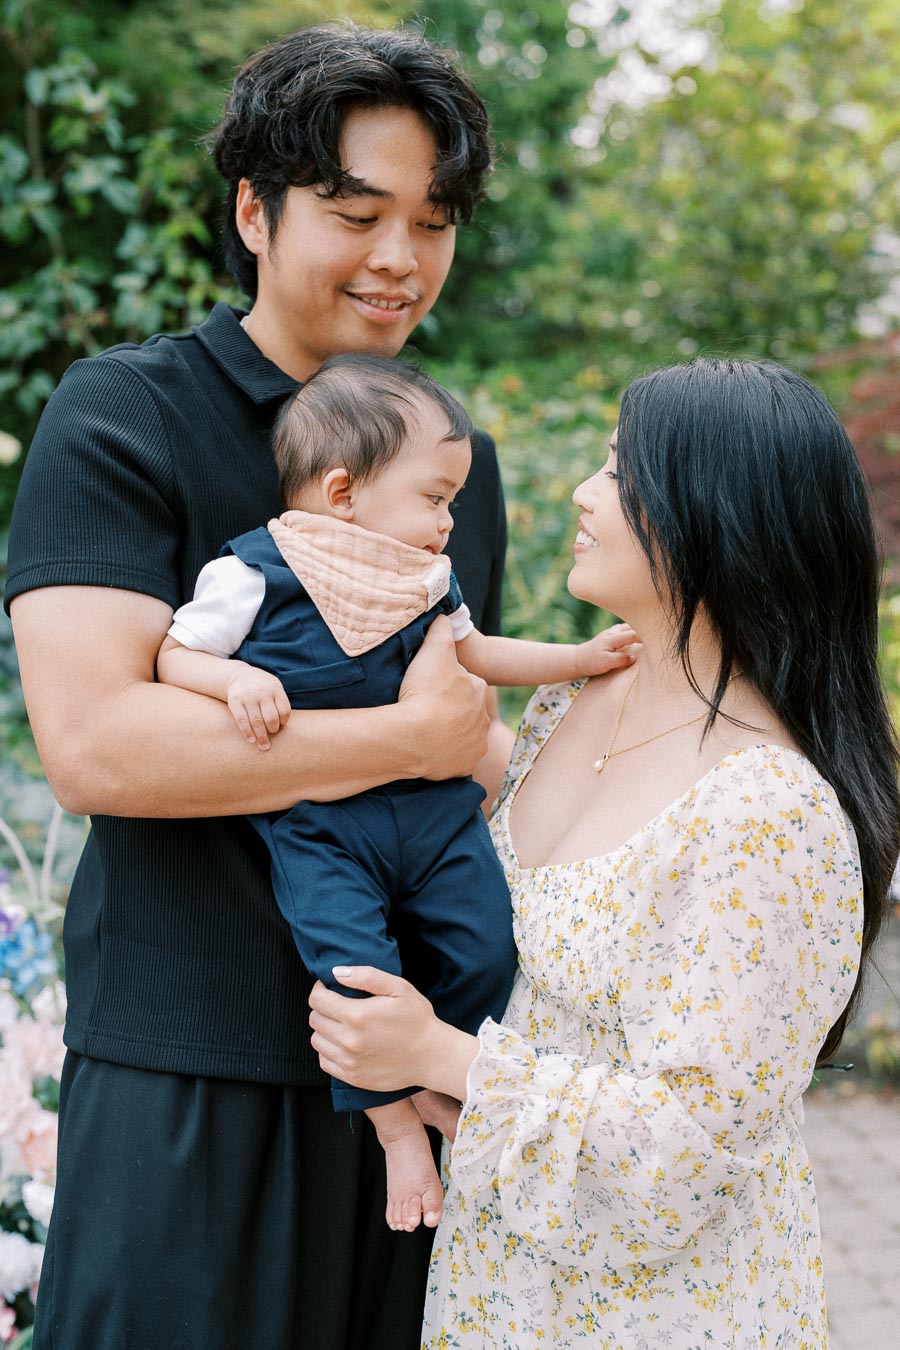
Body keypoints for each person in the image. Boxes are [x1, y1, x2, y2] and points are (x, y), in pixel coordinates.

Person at [4, 23, 515, 1350]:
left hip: (397, 1069)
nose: (401, 259)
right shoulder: (125, 414)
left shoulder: (458, 461)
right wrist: (405, 734)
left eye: (434, 218)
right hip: (181, 1067)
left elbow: (464, 758)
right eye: (358, 213)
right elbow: (101, 743)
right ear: (254, 207)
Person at [308, 357, 900, 1348]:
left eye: (621, 472)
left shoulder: (768, 812)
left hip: (667, 1316)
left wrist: (441, 1053)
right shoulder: (567, 702)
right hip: (501, 1288)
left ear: (719, 512)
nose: (584, 494)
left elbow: (690, 1149)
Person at [156, 353, 637, 1234]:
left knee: (489, 947)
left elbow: (480, 653)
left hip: (432, 815)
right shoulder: (254, 572)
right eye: (433, 498)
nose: (450, 521)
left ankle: (443, 1077)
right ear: (343, 492)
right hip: (323, 824)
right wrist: (229, 685)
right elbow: (172, 654)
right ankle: (393, 1128)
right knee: (351, 971)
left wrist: (576, 659)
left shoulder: (425, 581)